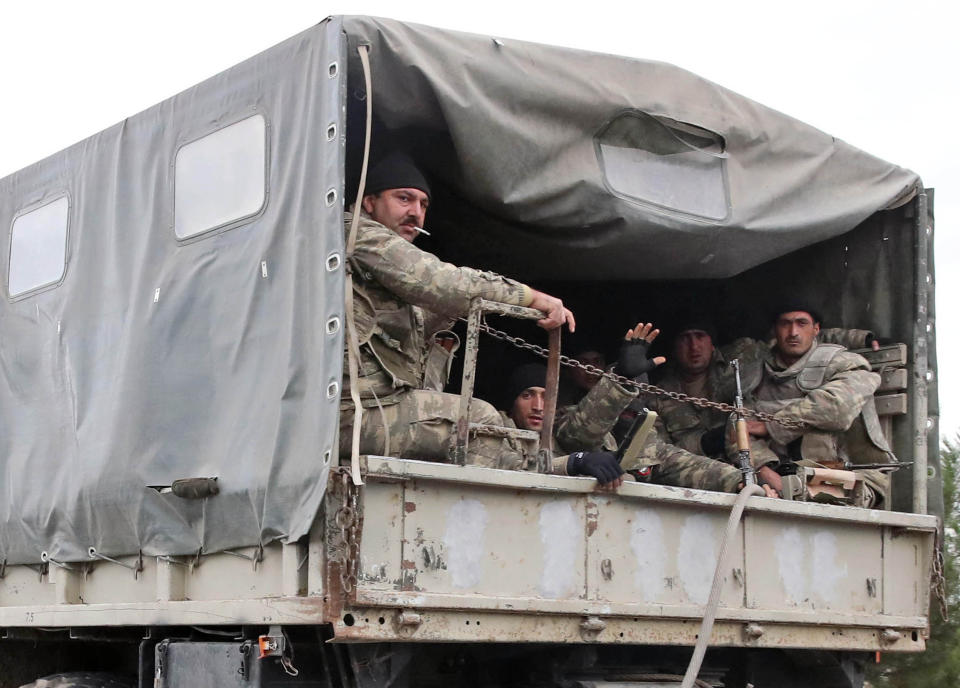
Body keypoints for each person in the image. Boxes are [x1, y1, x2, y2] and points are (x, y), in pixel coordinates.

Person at [340, 152, 584, 474]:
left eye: (423, 205)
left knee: (482, 429)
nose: (416, 213)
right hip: (351, 412)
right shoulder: (357, 232)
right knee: (478, 420)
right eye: (404, 198)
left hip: (370, 408)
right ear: (369, 202)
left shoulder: (372, 259)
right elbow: (442, 283)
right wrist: (529, 297)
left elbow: (429, 309)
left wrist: (450, 308)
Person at [500, 324, 776, 496]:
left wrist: (741, 482)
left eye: (638, 402)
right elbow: (578, 435)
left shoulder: (642, 444)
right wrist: (620, 378)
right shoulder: (566, 420)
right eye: (527, 396)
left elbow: (688, 466)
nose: (538, 406)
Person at [736, 307, 896, 507]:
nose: (793, 332)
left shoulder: (844, 364)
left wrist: (771, 426)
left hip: (852, 479)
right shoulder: (755, 375)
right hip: (775, 484)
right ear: (775, 330)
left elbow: (838, 408)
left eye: (802, 323)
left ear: (816, 329)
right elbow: (737, 432)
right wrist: (766, 471)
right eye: (785, 324)